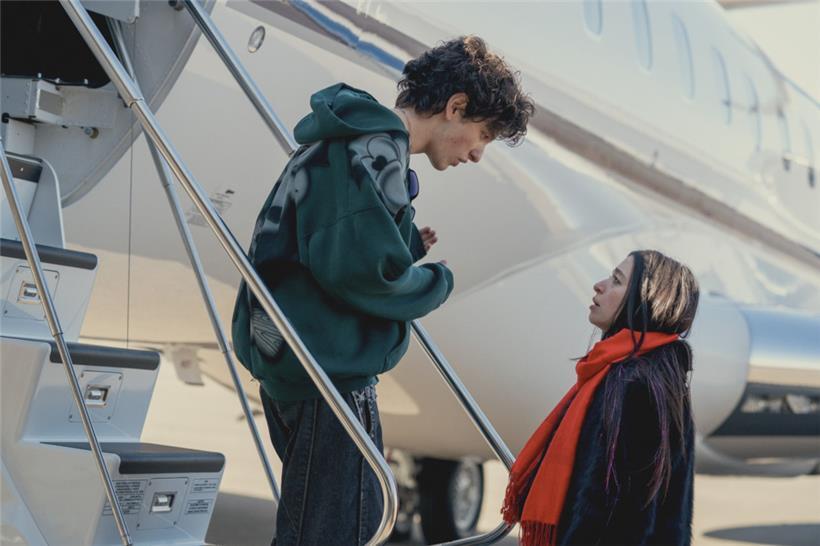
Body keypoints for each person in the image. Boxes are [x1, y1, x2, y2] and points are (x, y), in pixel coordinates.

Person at [232, 36, 534, 545]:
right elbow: (365, 276)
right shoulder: (376, 152)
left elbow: (328, 244)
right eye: (481, 134)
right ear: (455, 106)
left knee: (328, 523)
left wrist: (403, 245)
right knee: (342, 530)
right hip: (327, 371)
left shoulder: (345, 140)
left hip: (291, 354)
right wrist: (437, 280)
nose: (478, 153)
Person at [503, 250, 700, 546]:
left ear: (646, 301)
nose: (599, 285)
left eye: (617, 281)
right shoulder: (639, 376)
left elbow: (622, 518)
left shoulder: (637, 387)